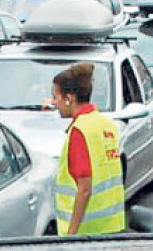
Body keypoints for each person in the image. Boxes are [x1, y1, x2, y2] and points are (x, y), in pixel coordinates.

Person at [50, 63, 125, 236]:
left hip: (86, 233)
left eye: (57, 97)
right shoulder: (106, 124)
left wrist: (71, 234)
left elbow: (84, 189)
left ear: (69, 98)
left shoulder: (79, 131)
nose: (55, 103)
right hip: (112, 226)